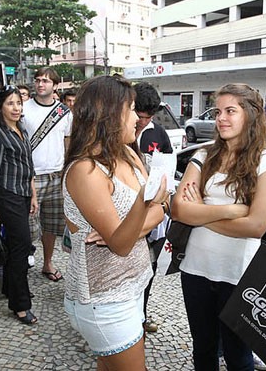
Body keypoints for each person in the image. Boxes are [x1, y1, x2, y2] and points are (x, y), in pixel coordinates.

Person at [172, 83, 266, 370]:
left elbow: (256, 226)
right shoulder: (204, 155)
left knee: (238, 355)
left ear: (250, 115)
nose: (221, 118)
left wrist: (202, 212)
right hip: (195, 269)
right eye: (218, 111)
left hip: (240, 274)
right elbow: (179, 209)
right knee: (203, 349)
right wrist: (232, 210)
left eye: (230, 111)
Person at [62, 75, 168, 370]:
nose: (138, 117)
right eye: (131, 109)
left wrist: (132, 224)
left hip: (133, 286)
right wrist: (141, 207)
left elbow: (161, 211)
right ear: (108, 113)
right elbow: (120, 244)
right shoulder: (84, 170)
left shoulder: (128, 154)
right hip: (104, 299)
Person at [0, 85, 38, 325]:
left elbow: (28, 166)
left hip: (24, 194)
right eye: (10, 104)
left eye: (18, 103)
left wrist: (33, 195)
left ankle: (9, 288)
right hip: (7, 196)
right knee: (22, 247)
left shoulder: (21, 128)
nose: (16, 108)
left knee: (14, 245)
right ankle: (20, 305)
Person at [22, 67, 72, 282]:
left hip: (57, 175)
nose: (40, 84)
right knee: (28, 225)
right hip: (31, 177)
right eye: (38, 80)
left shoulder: (64, 112)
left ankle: (48, 263)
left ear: (55, 85)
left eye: (45, 81)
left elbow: (67, 142)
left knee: (51, 225)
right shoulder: (23, 109)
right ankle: (22, 261)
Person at [132, 81, 173, 334]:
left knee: (149, 267)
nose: (141, 123)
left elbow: (168, 169)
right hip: (125, 209)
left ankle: (141, 316)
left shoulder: (159, 134)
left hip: (152, 211)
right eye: (138, 117)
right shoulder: (115, 130)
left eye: (147, 118)